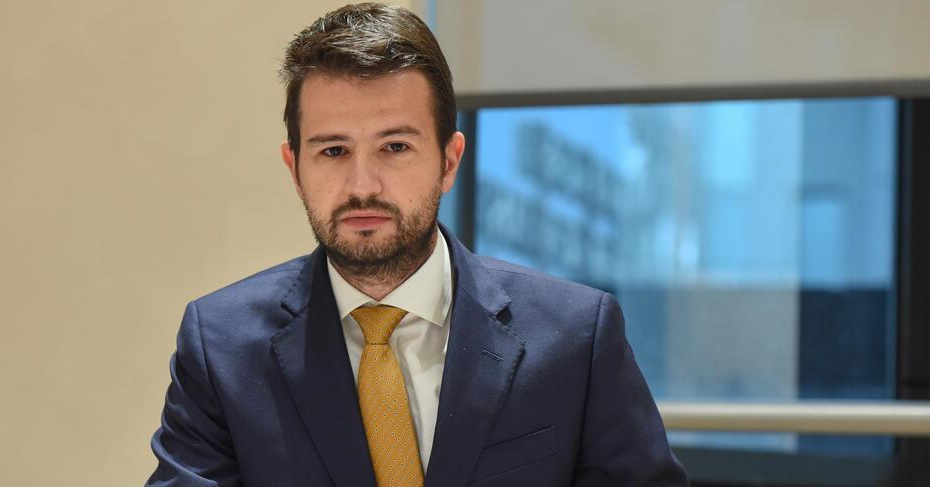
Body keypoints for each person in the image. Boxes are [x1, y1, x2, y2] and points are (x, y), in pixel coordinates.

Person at [148, 3, 688, 486]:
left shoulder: (576, 337)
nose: (362, 185)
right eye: (333, 151)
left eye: (395, 147)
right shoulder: (221, 346)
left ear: (449, 161)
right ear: (295, 169)